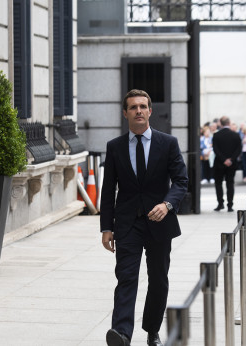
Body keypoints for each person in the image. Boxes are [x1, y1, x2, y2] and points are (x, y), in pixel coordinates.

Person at [100, 89, 188, 346]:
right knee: (126, 276)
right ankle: (121, 333)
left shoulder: (168, 143)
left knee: (158, 279)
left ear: (150, 111)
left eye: (142, 106)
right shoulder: (115, 147)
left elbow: (181, 181)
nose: (138, 111)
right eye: (133, 107)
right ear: (125, 113)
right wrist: (107, 227)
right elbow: (108, 190)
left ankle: (152, 330)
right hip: (127, 223)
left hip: (160, 221)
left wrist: (168, 204)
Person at [212, 116, 242, 212]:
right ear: (229, 123)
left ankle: (220, 203)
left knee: (218, 184)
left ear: (220, 123)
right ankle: (230, 205)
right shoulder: (236, 135)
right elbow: (239, 149)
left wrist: (223, 159)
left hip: (219, 163)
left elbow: (215, 149)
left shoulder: (216, 135)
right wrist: (231, 159)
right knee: (230, 183)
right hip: (232, 164)